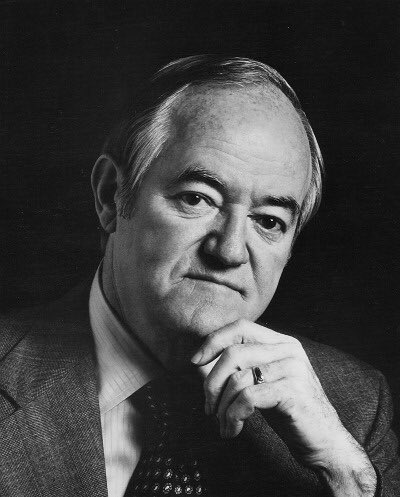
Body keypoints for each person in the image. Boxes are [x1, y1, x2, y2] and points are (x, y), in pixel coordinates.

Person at [0, 55, 398, 497]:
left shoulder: (355, 411)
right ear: (111, 196)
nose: (229, 251)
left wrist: (346, 476)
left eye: (269, 221)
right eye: (197, 198)